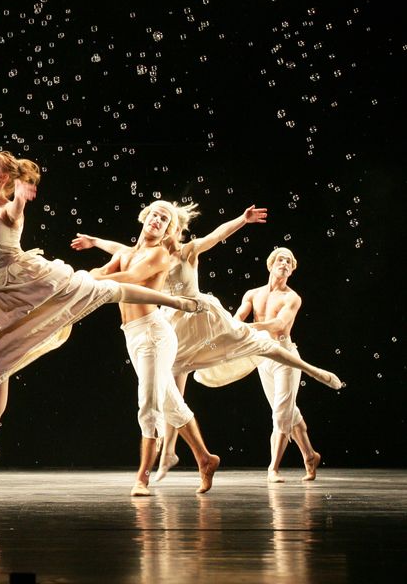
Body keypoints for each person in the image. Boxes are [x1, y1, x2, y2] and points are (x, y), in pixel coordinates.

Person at [0, 151, 206, 483]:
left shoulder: (8, 210)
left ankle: (175, 301)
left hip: (28, 281)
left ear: (2, 177)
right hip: (0, 295)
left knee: (100, 288)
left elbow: (16, 210)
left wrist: (21, 195)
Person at [72, 205, 343, 483]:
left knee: (255, 343)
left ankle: (312, 370)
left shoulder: (187, 252)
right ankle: (172, 452)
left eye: (171, 224)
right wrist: (94, 241)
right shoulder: (151, 254)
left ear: (175, 230)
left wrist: (242, 220)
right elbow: (120, 249)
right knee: (171, 380)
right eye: (163, 221)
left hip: (200, 315)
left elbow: (217, 235)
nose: (168, 229)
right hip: (174, 320)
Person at [86, 201, 220, 496]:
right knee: (172, 404)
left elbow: (129, 279)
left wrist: (91, 278)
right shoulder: (124, 254)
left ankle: (142, 478)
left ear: (168, 230)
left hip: (154, 335)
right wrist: (89, 273)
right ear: (144, 218)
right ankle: (205, 458)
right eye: (155, 215)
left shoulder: (159, 254)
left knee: (149, 406)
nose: (157, 220)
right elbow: (103, 270)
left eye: (165, 219)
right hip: (133, 335)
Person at [235, 248, 326, 483]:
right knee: (287, 410)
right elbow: (238, 318)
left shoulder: (292, 298)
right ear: (271, 264)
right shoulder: (253, 294)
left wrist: (249, 328)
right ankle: (310, 456)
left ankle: (273, 468)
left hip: (285, 358)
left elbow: (278, 324)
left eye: (289, 262)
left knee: (280, 413)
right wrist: (230, 328)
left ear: (292, 270)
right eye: (280, 259)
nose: (284, 263)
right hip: (262, 357)